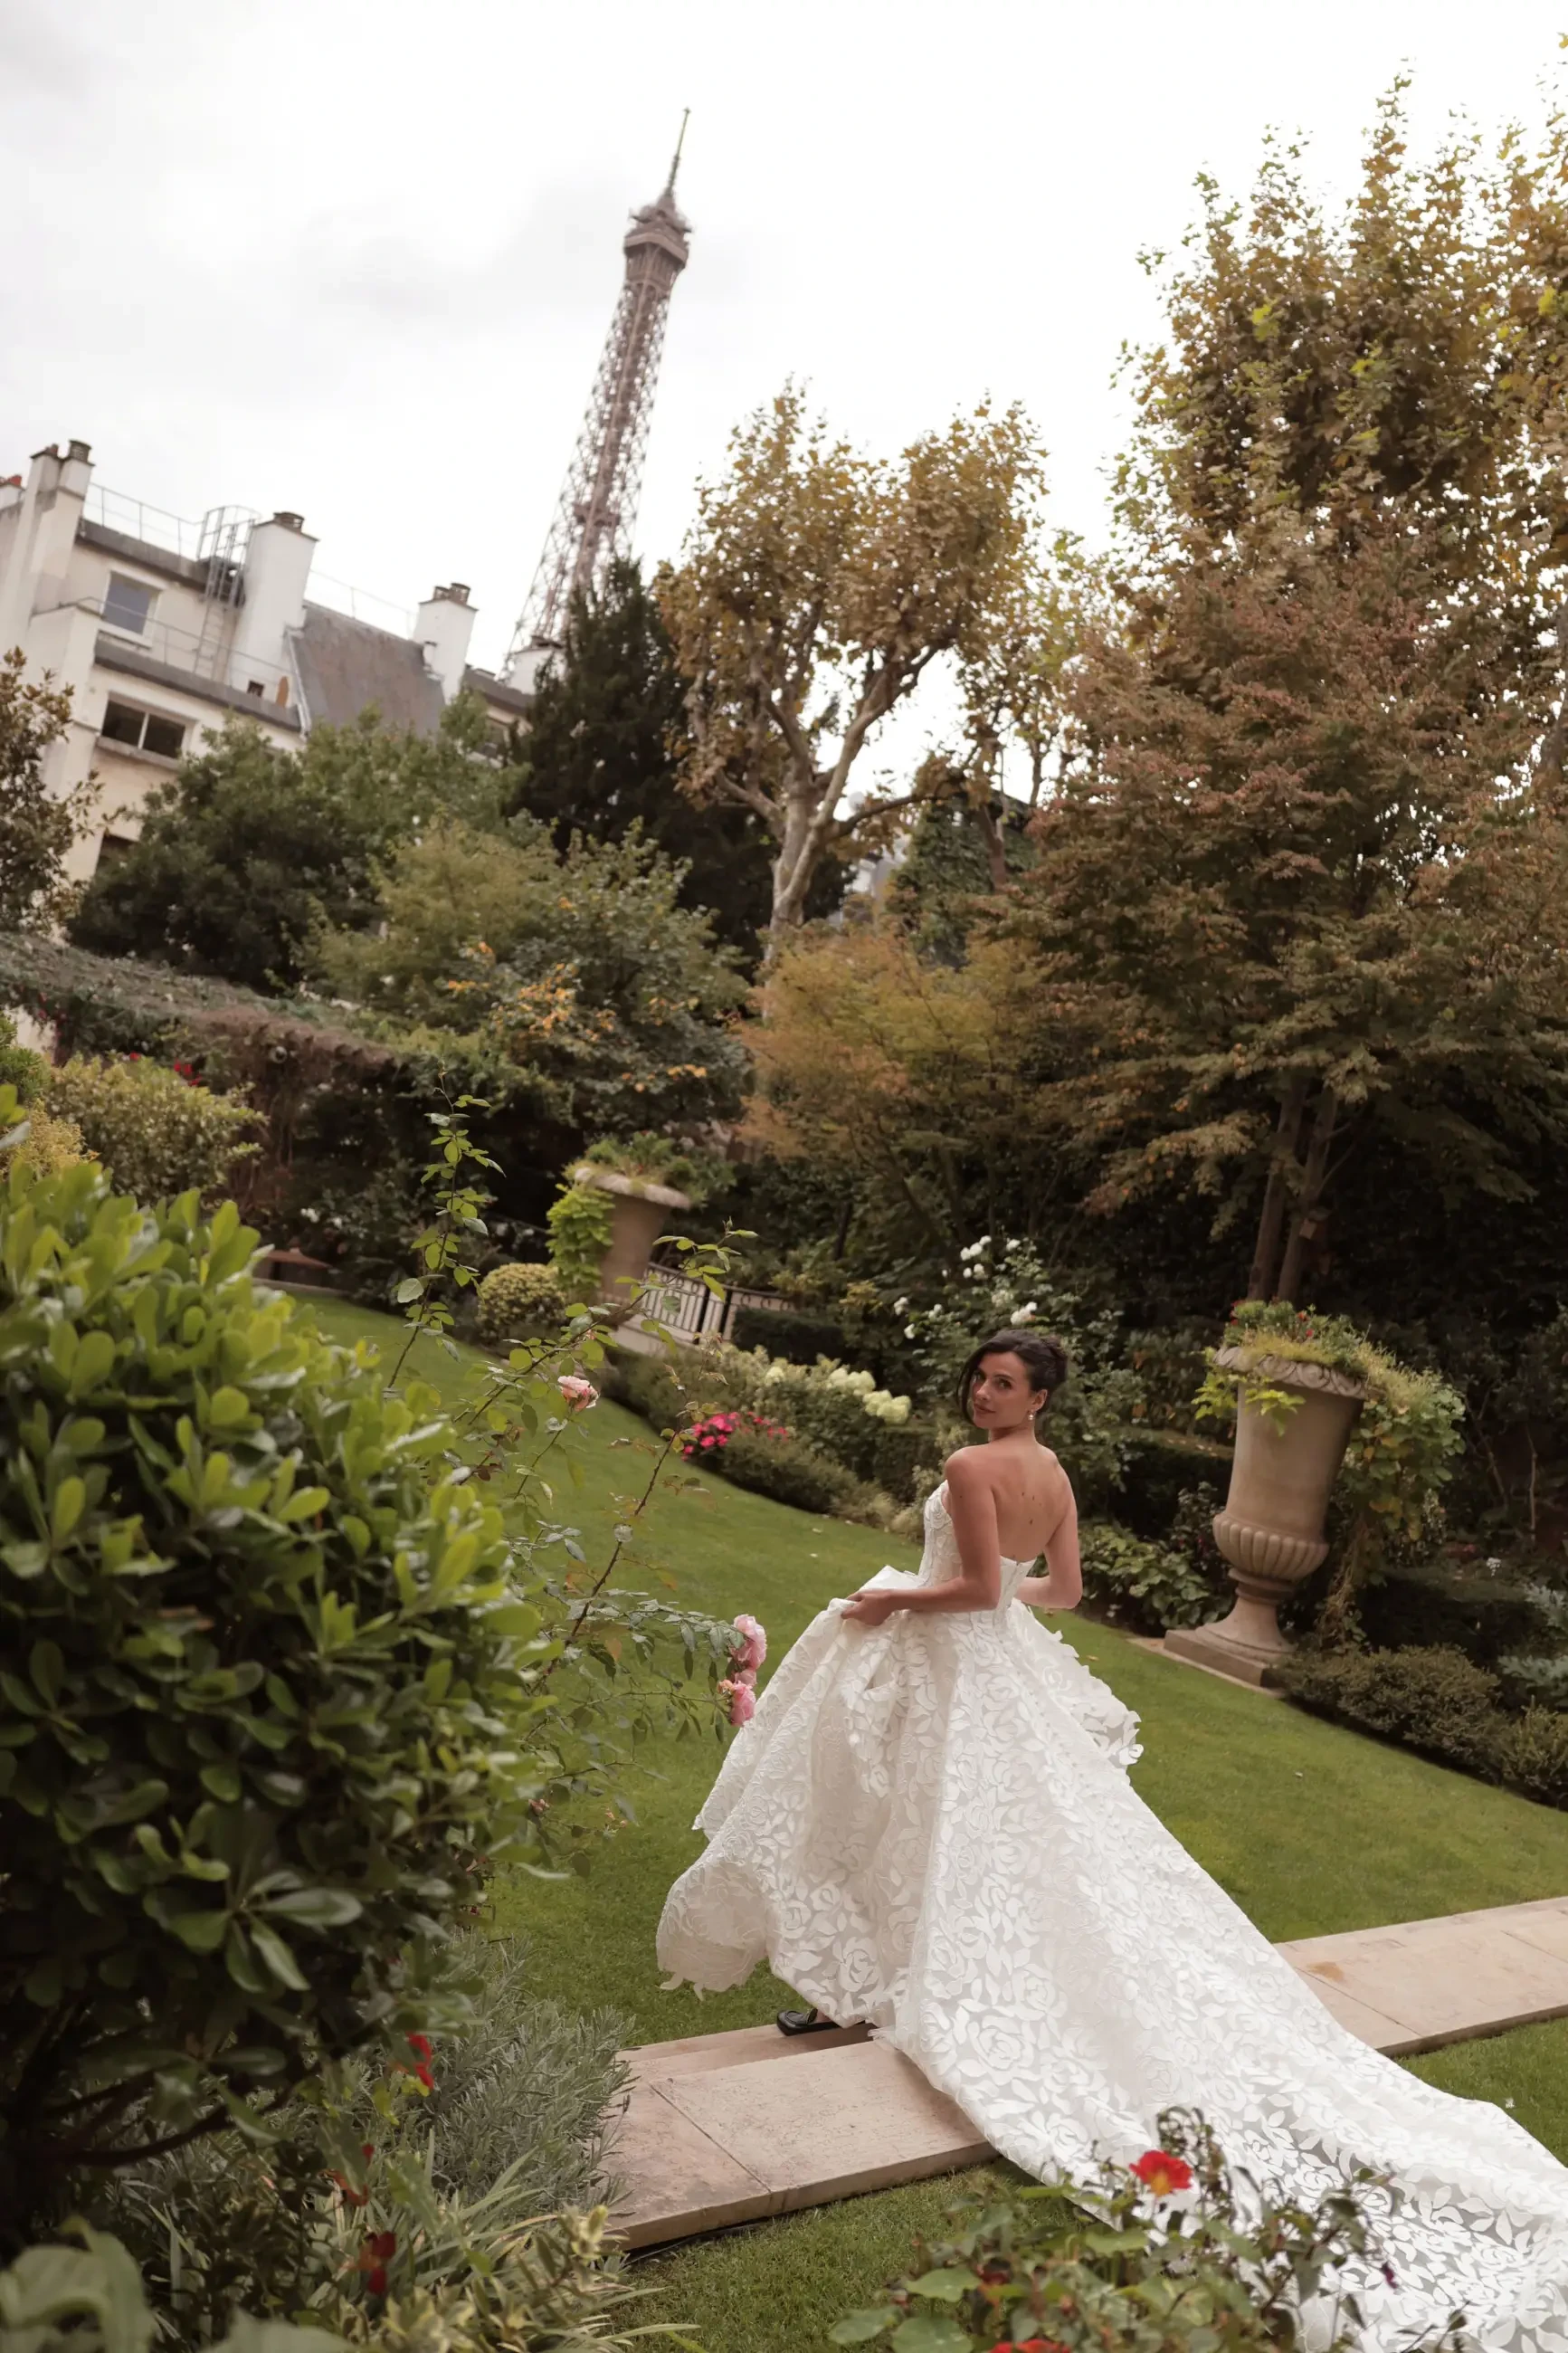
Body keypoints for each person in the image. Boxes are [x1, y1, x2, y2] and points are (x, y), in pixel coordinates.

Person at [657, 1329, 1568, 2349]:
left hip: (942, 1660)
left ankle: (871, 1987)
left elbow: (968, 1589)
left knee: (898, 1820)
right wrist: (980, 1598)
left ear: (1038, 1396)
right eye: (979, 1377)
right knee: (935, 1832)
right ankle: (857, 1988)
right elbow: (1057, 1590)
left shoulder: (969, 1465)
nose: (982, 1392)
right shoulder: (1051, 1475)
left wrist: (888, 1596)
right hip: (989, 1669)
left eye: (1003, 1382)